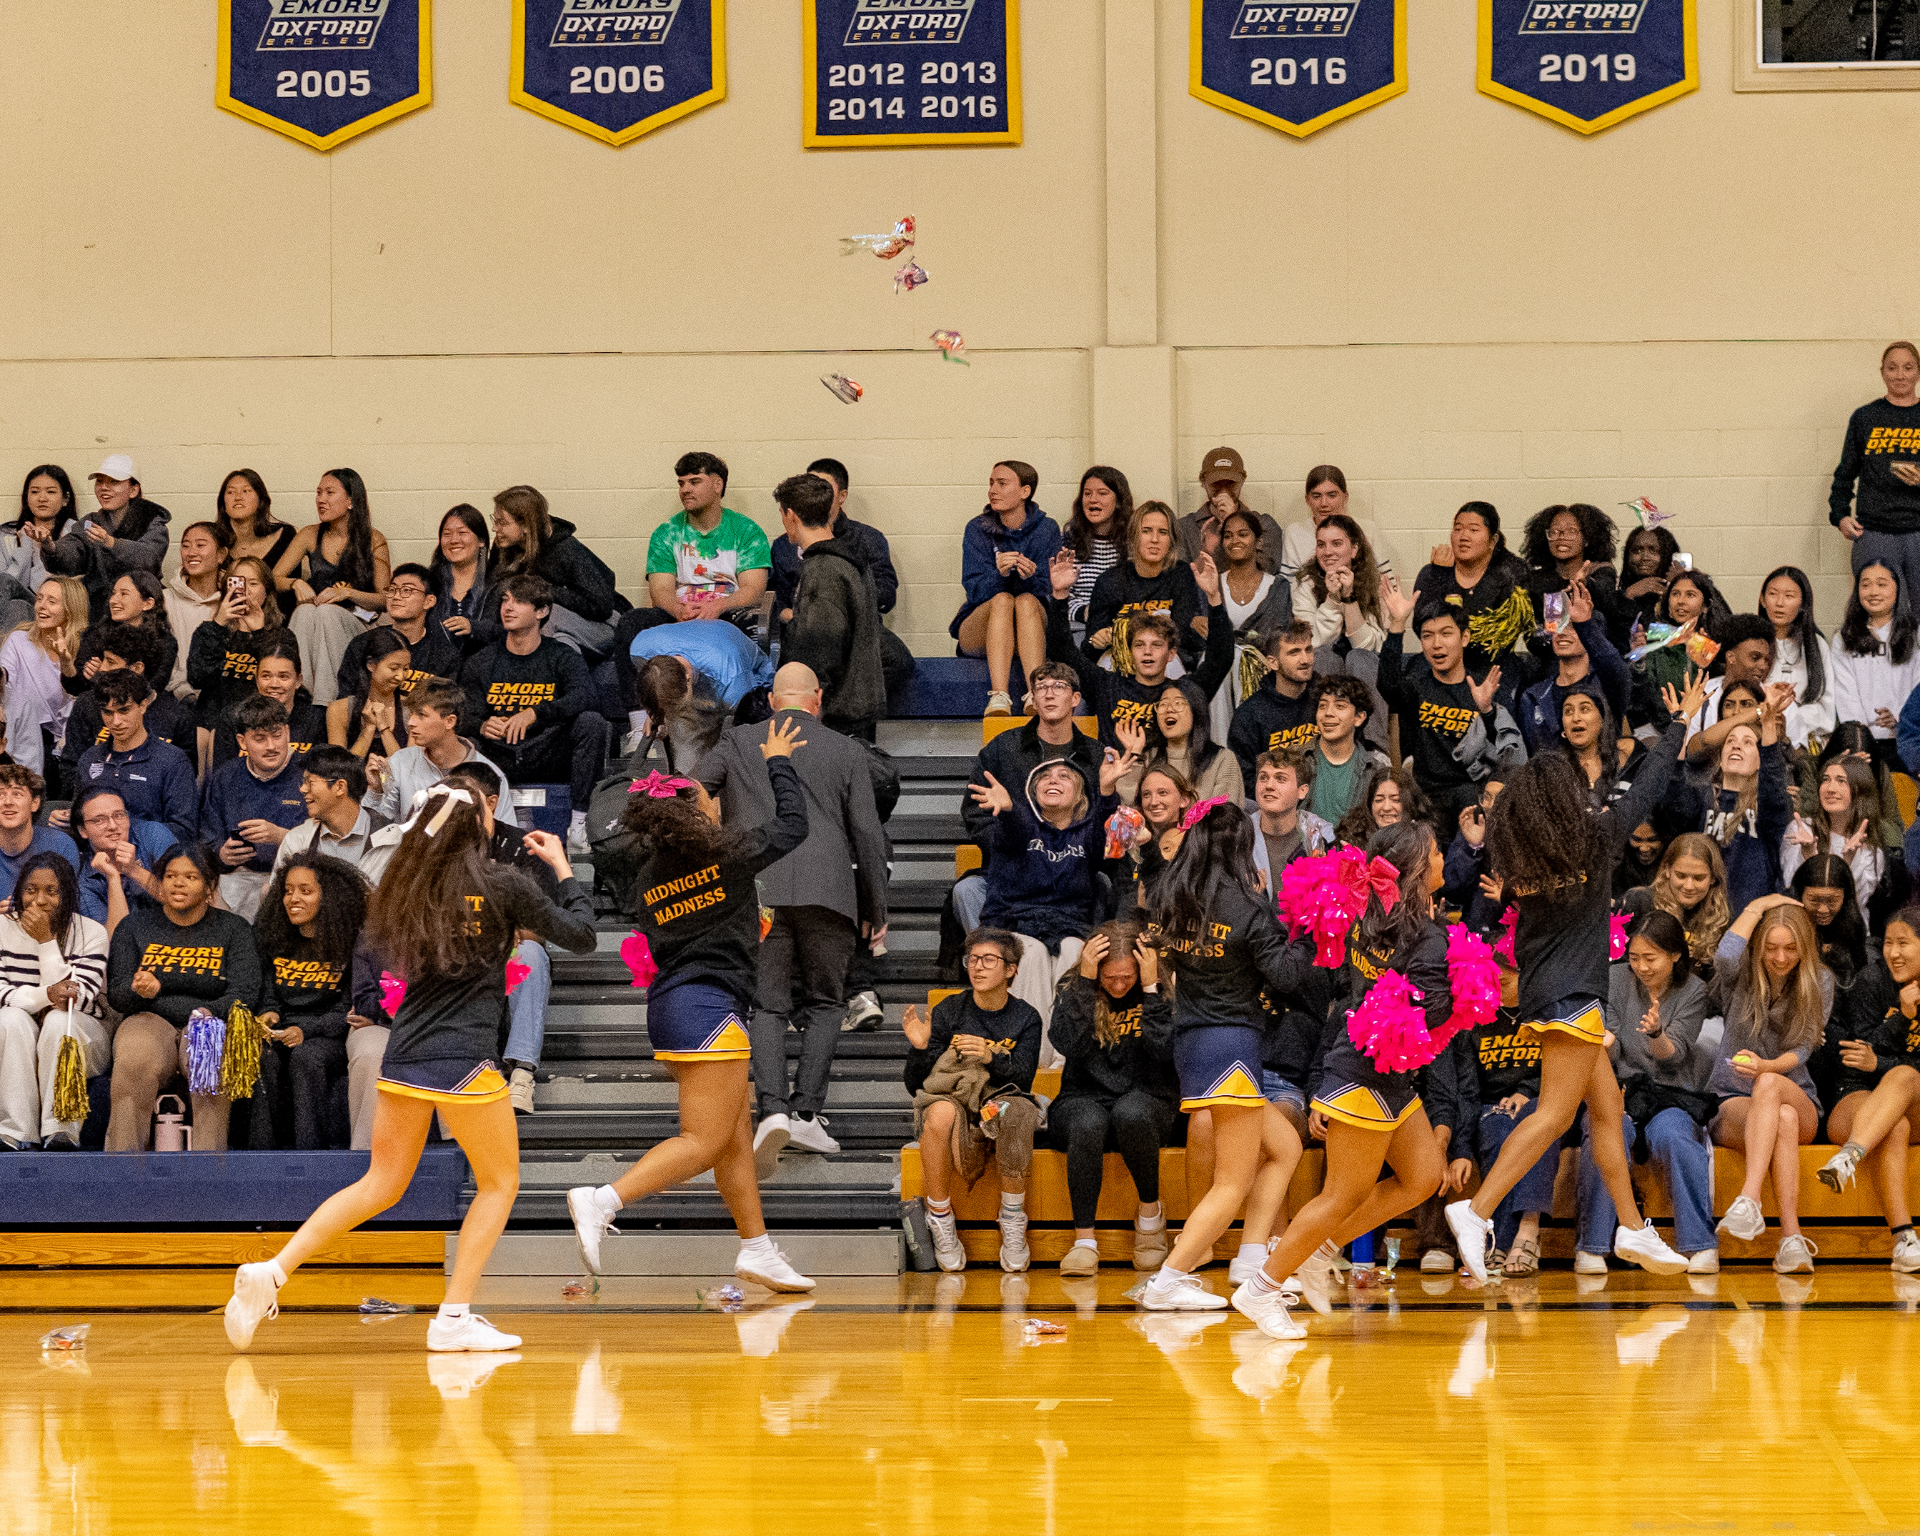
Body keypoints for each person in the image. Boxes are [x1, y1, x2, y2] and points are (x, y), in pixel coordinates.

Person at [224, 784, 597, 1353]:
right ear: (477, 829)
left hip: (404, 1054)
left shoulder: (402, 890)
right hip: (466, 1058)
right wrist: (563, 870)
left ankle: (273, 1270)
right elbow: (583, 937)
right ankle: (453, 1316)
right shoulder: (502, 883)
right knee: (500, 1184)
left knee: (380, 1183)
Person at [1444, 670, 1707, 1283]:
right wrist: (1676, 726)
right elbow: (1644, 789)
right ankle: (1477, 1212)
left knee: (1607, 1111)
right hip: (1572, 995)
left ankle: (1634, 1231)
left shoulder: (1523, 857)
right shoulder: (1596, 841)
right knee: (1556, 1115)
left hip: (1545, 991)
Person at [562, 717, 816, 1294]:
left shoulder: (647, 874)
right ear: (696, 812)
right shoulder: (728, 856)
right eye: (709, 797)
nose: (718, 803)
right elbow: (795, 825)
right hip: (709, 1008)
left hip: (674, 1005)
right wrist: (777, 759)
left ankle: (757, 1248)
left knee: (731, 1133)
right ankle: (603, 1199)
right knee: (703, 1141)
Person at [1232, 821, 1448, 1337]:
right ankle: (1260, 1288)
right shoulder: (1425, 935)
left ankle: (1317, 1253)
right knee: (1340, 1196)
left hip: (1384, 1073)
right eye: (1437, 853)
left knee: (1422, 1177)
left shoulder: (1367, 917)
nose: (1445, 860)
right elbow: (1432, 1010)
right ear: (1419, 868)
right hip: (1363, 1077)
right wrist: (1463, 990)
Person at [693, 665, 887, 1172]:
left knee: (768, 1006)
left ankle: (772, 1110)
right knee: (826, 1002)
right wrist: (876, 907)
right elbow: (868, 835)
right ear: (817, 699)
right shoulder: (846, 750)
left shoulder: (738, 741)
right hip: (830, 891)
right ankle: (806, 1112)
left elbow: (687, 793)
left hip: (757, 888)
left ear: (775, 702)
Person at [1129, 800, 1314, 1316]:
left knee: (1283, 1150)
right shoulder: (1247, 907)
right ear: (1240, 846)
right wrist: (1306, 931)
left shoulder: (1173, 896)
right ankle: (1168, 1280)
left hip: (1193, 1043)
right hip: (1233, 1045)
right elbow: (1287, 978)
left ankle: (1251, 1261)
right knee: (1231, 1181)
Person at [1576, 910, 1718, 1274]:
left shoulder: (1694, 990)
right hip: (1621, 1090)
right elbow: (1613, 1051)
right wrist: (1604, 1042)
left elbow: (1676, 1056)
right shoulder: (1614, 980)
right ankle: (1592, 1247)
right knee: (1607, 1132)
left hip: (1670, 1092)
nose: (1641, 966)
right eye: (1634, 957)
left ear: (1674, 955)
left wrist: (1657, 1034)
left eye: (1650, 958)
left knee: (1674, 1136)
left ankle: (1700, 1245)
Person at [903, 928, 1046, 1272]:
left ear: (1011, 970)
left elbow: (1023, 1079)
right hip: (953, 1102)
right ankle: (941, 1219)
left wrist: (989, 1057)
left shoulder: (1026, 1017)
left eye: (989, 960)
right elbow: (915, 1085)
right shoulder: (950, 1010)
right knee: (937, 1112)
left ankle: (1012, 1221)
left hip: (998, 1101)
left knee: (1019, 1110)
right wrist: (921, 1049)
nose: (977, 967)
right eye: (973, 960)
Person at [104, 843, 261, 1153]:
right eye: (171, 876)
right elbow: (117, 994)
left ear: (210, 886)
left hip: (208, 1019)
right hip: (148, 1019)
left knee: (210, 1053)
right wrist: (138, 989)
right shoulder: (134, 927)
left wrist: (202, 1009)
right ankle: (121, 1171)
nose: (178, 883)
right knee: (135, 1057)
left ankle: (207, 1174)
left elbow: (244, 995)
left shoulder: (234, 929)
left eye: (191, 877)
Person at [1045, 921, 1180, 1275]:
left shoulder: (1160, 989)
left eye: (1127, 977)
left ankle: (1150, 1220)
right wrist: (1087, 985)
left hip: (1149, 1097)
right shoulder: (1076, 987)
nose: (1119, 985)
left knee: (1130, 1113)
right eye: (1110, 978)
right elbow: (1068, 1045)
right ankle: (1084, 1242)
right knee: (1089, 1121)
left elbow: (1165, 1051)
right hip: (1081, 1096)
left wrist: (1150, 988)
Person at [1708, 896, 1833, 1274]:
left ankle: (1749, 1199)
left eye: (1791, 948)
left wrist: (1766, 1067)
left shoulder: (1821, 980)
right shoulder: (1741, 972)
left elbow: (1804, 1048)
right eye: (1772, 948)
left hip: (1798, 1096)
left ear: (1804, 948)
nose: (1781, 958)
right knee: (1782, 1120)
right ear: (1760, 945)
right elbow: (1725, 956)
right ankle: (1791, 1239)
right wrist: (1760, 904)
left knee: (1771, 1087)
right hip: (1732, 1098)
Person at [456, 574, 610, 852]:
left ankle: (578, 824)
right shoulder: (482, 661)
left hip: (548, 751)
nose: (508, 607)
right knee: (466, 741)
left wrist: (535, 713)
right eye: (505, 600)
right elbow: (461, 714)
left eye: (520, 602)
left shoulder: (561, 656)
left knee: (591, 722)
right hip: (499, 753)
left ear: (542, 611)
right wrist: (481, 725)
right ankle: (471, 827)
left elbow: (586, 696)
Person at [972, 757, 1118, 1047]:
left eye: (1064, 776)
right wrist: (1009, 810)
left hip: (1072, 926)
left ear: (1079, 795)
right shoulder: (1022, 827)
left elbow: (1106, 835)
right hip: (1018, 922)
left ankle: (1069, 1055)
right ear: (1033, 793)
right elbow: (1014, 828)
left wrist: (1107, 790)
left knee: (1075, 950)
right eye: (1045, 777)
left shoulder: (1086, 834)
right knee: (1032, 952)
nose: (1053, 780)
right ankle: (1031, 1053)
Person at [953, 661, 1105, 933]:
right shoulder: (1002, 749)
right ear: (1033, 699)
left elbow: (1101, 826)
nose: (1049, 694)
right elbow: (977, 817)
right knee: (967, 889)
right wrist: (1016, 850)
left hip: (1073, 870)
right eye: (1041, 687)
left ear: (1075, 698)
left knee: (1105, 883)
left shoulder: (1095, 756)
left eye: (1059, 686)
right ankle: (993, 962)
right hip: (1011, 870)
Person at [1815, 907, 1920, 1272]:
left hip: (1913, 1094)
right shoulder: (1872, 980)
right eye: (1888, 942)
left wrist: (1882, 1064)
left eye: (1904, 943)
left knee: (1906, 1075)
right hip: (1857, 1093)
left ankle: (1850, 1155)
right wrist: (1901, 1018)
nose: (1893, 952)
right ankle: (1904, 1238)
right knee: (1896, 1126)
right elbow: (1855, 1053)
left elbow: (1875, 1059)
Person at [1045, 547, 1233, 749]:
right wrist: (1060, 594)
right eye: (1139, 645)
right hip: (1119, 775)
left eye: (1157, 645)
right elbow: (1061, 649)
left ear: (1171, 653)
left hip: (1167, 776)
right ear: (1129, 651)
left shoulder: (1185, 692)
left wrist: (1214, 597)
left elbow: (1220, 658)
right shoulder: (1106, 687)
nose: (1147, 651)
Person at [1377, 584, 1522, 827]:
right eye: (1427, 636)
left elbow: (1504, 754)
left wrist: (1486, 711)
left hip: (1470, 795)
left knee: (1469, 798)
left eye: (1446, 633)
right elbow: (1388, 685)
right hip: (1426, 798)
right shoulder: (1416, 687)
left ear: (1464, 638)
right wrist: (1396, 625)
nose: (1436, 644)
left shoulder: (1482, 688)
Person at [248, 853, 365, 1150]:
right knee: (261, 1056)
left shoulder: (351, 942)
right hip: (284, 1031)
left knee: (306, 1057)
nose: (293, 899)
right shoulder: (274, 937)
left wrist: (307, 1030)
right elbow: (268, 989)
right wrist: (269, 1013)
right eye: (288, 891)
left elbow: (349, 1009)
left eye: (306, 891)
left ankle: (309, 1155)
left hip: (330, 1034)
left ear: (329, 897)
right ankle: (262, 1158)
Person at [1457, 954, 1562, 1278]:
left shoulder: (1547, 1013)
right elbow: (1467, 1087)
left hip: (1542, 1100)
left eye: (1503, 981)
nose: (1495, 988)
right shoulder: (1474, 1017)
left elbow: (1564, 1067)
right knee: (1500, 1129)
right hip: (1492, 1106)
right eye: (1490, 981)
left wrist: (1527, 1091)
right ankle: (1503, 1240)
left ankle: (1522, 1234)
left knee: (1538, 1121)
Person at [0, 852, 110, 1150]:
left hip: (82, 1031)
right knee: (9, 1018)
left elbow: (77, 1001)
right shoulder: (2, 929)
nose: (39, 900)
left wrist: (46, 942)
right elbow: (1, 995)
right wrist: (44, 996)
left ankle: (61, 1130)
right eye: (30, 889)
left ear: (68, 894)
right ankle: (16, 1133)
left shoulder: (92, 933)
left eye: (52, 891)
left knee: (59, 1021)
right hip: (18, 1028)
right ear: (19, 891)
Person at [777, 472, 886, 741]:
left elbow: (820, 651)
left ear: (790, 515)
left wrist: (804, 714)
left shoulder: (824, 570)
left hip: (832, 718)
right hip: (854, 709)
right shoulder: (848, 561)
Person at [271, 468, 391, 705]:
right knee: (304, 611)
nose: (321, 499)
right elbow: (273, 578)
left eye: (329, 492)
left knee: (326, 611)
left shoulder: (373, 539)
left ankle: (326, 703)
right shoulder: (309, 534)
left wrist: (348, 593)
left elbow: (385, 599)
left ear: (350, 501)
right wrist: (296, 583)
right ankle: (300, 695)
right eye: (318, 493)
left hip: (359, 626)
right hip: (317, 625)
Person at [954, 460, 1061, 717]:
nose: (993, 490)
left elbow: (1053, 590)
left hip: (1031, 624)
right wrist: (998, 575)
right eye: (991, 483)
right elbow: (974, 591)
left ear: (1025, 491)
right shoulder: (977, 528)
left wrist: (1032, 576)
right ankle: (999, 696)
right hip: (982, 625)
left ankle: (1035, 691)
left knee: (1024, 600)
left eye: (1002, 483)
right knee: (1003, 599)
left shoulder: (1047, 529)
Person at [199, 695, 310, 921]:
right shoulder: (225, 777)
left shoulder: (308, 775)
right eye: (260, 738)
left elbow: (327, 843)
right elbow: (206, 839)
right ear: (242, 741)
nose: (271, 746)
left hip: (292, 880)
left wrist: (283, 837)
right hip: (235, 877)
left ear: (287, 733)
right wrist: (221, 854)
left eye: (277, 736)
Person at [482, 485, 618, 657]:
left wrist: (546, 591)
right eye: (495, 520)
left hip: (598, 623)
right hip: (557, 628)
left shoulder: (566, 550)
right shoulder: (504, 546)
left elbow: (601, 605)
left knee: (545, 620)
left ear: (526, 526)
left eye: (503, 523)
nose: (495, 529)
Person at [1412, 503, 1536, 690]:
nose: (1463, 537)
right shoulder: (1433, 573)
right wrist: (1442, 576)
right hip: (1442, 662)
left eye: (1473, 529)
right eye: (1458, 529)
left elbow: (1498, 637)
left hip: (1493, 663)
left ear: (1493, 541)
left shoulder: (1513, 573)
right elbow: (1423, 626)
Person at [1829, 340, 1920, 595]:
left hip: (1918, 532)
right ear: (1882, 373)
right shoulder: (1865, 417)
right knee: (1875, 612)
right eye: (1892, 368)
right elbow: (1845, 473)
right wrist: (1840, 516)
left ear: (1918, 372)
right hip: (1875, 533)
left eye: (1908, 367)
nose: (1900, 374)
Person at [643, 452, 772, 629]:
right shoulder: (666, 533)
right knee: (633, 620)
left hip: (729, 613)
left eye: (694, 482)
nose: (685, 489)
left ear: (717, 485)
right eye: (681, 483)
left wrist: (717, 607)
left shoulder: (747, 531)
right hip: (679, 614)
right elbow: (661, 590)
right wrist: (678, 610)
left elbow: (753, 590)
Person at [71, 668, 198, 847]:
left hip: (150, 863)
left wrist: (125, 834)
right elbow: (81, 821)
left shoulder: (173, 761)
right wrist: (69, 820)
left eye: (124, 710)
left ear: (143, 705)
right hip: (97, 863)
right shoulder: (90, 758)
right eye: (108, 712)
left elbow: (184, 830)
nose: (115, 721)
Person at [365, 682, 518, 830]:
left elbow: (505, 835)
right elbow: (376, 828)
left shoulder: (491, 774)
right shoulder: (399, 762)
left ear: (449, 721)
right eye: (411, 714)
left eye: (422, 715)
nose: (411, 722)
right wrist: (376, 791)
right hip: (411, 855)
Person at [1085, 500, 1207, 681]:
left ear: (1171, 540)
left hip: (1167, 659)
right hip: (1119, 658)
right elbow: (1089, 646)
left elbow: (1182, 634)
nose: (1155, 539)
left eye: (1163, 532)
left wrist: (1124, 630)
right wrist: (1099, 638)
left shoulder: (1181, 573)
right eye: (1146, 531)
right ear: (1134, 536)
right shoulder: (1110, 580)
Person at [58, 622, 197, 781]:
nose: (102, 668)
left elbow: (184, 779)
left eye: (110, 661)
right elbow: (71, 769)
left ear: (137, 668)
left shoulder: (177, 717)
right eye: (103, 659)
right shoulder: (88, 704)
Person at [771, 457, 901, 622]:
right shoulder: (785, 545)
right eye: (812, 488)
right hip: (799, 634)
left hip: (858, 636)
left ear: (842, 496)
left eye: (824, 488)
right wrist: (794, 616)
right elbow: (775, 599)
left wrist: (829, 611)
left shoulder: (867, 539)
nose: (817, 494)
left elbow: (885, 597)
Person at [1699, 693, 1794, 914]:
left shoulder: (1767, 808)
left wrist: (1768, 724)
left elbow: (1773, 782)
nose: (1736, 746)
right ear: (1720, 757)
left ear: (1760, 758)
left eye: (1748, 742)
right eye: (1730, 741)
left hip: (1749, 921)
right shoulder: (1703, 799)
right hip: (1703, 919)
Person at [42, 454, 170, 616]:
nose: (104, 487)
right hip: (97, 608)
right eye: (100, 481)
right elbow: (73, 553)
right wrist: (51, 547)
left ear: (133, 490)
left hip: (140, 610)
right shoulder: (91, 521)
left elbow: (149, 558)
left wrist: (111, 543)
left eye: (114, 481)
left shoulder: (152, 522)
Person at [1209, 506, 1294, 742]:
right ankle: (1221, 749)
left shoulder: (1278, 587)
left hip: (1261, 668)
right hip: (1218, 672)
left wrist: (1238, 645)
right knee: (1219, 659)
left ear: (1258, 540)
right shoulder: (1211, 584)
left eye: (1243, 534)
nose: (1234, 540)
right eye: (1228, 535)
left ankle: (1250, 744)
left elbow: (1277, 637)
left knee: (1239, 657)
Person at [1516, 578, 1628, 755]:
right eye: (1558, 625)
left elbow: (1615, 666)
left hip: (1599, 779)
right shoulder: (1532, 697)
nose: (1562, 633)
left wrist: (1585, 624)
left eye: (1573, 627)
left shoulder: (1608, 687)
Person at [628, 636, 771, 770]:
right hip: (709, 673)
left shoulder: (732, 682)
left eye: (677, 708)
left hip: (752, 687)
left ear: (688, 678)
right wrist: (656, 711)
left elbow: (740, 733)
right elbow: (658, 682)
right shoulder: (639, 648)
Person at [334, 562, 462, 700]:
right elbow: (346, 700)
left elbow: (444, 708)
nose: (396, 596)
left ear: (429, 601)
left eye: (407, 590)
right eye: (392, 590)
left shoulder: (444, 655)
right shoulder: (363, 644)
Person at [185, 555, 282, 731]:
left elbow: (275, 680)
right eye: (238, 584)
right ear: (226, 590)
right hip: (213, 723)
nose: (245, 591)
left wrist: (260, 633)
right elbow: (197, 677)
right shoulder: (208, 631)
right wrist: (218, 625)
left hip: (259, 724)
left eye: (253, 584)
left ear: (266, 591)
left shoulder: (282, 636)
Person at [1, 576, 84, 777]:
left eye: (52, 602)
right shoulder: (19, 640)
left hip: (60, 745)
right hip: (18, 735)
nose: (41, 606)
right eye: (39, 599)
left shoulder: (84, 649)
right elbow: (4, 679)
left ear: (70, 609)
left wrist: (66, 664)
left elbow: (79, 700)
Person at [1831, 559, 1920, 744]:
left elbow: (1917, 685)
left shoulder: (1914, 633)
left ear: (1897, 589)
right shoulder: (1844, 638)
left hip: (1908, 739)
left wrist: (1899, 718)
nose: (1873, 592)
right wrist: (1860, 733)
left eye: (1881, 584)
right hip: (1862, 742)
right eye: (1865, 585)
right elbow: (1846, 693)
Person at [1783, 755, 1883, 919]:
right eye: (1826, 779)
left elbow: (1855, 903)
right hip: (1804, 928)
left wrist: (1848, 862)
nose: (1830, 788)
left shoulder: (1869, 847)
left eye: (1841, 781)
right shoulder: (1801, 829)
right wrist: (1807, 855)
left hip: (1849, 936)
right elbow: (1790, 888)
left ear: (1860, 789)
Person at [209, 636, 327, 771]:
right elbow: (223, 776)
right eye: (266, 676)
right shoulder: (233, 717)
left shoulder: (316, 720)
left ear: (298, 681)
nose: (274, 684)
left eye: (283, 676)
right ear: (256, 679)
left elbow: (321, 776)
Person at [1226, 621, 1320, 789]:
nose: (1305, 659)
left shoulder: (1325, 699)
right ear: (1273, 662)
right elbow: (1245, 779)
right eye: (1294, 653)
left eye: (1308, 650)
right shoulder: (1250, 715)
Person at [1120, 680, 1240, 807]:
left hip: (1203, 828)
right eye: (1163, 704)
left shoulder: (1222, 759)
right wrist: (1134, 754)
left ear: (1196, 710)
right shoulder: (1147, 757)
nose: (1169, 709)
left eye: (1178, 703)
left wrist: (1179, 827)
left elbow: (1225, 816)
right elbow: (1128, 809)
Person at [274, 745, 387, 881]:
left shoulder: (390, 840)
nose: (303, 789)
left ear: (340, 787)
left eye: (309, 782)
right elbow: (278, 896)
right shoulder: (296, 842)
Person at [70, 785, 173, 929]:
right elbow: (115, 942)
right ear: (83, 830)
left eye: (119, 815)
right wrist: (113, 878)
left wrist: (134, 871)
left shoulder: (153, 835)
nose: (112, 826)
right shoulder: (85, 882)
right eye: (100, 820)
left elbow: (184, 899)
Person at [1277, 464, 1397, 588]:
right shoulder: (1295, 533)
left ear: (1345, 497)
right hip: (1310, 605)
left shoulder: (1368, 529)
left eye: (1332, 495)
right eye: (1316, 496)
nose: (1324, 503)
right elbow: (1289, 587)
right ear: (1307, 500)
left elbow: (1388, 584)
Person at [68, 571, 175, 705]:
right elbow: (73, 687)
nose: (113, 600)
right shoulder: (96, 634)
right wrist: (84, 674)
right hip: (97, 708)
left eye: (124, 594)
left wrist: (102, 678)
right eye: (113, 593)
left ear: (147, 603)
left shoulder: (165, 642)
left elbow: (154, 688)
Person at [1759, 566, 1835, 751]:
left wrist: (1791, 716)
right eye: (1773, 594)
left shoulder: (1817, 644)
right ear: (1762, 599)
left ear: (1803, 603)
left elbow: (1827, 704)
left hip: (1806, 745)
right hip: (1759, 736)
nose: (1779, 603)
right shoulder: (1754, 641)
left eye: (1789, 596)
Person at [1178, 446, 1286, 572]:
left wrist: (1234, 521)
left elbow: (1267, 571)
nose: (1224, 490)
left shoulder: (1265, 524)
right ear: (1203, 481)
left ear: (1242, 480)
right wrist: (1206, 552)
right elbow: (1181, 582)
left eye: (1231, 483)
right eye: (1216, 483)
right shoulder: (1183, 528)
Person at [1292, 513, 1387, 654]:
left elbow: (1368, 648)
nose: (1328, 552)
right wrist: (1333, 599)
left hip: (1362, 665)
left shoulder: (1374, 583)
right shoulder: (1306, 584)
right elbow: (1312, 643)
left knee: (1358, 657)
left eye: (1336, 544)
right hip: (1322, 665)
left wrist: (1349, 598)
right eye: (1321, 545)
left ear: (1354, 550)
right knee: (1325, 656)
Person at [1060, 466, 1132, 645]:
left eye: (1102, 493)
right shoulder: (1068, 542)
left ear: (1118, 501)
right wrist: (1083, 611)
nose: (1093, 499)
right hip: (1080, 623)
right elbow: (1059, 593)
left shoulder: (1133, 542)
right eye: (1087, 493)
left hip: (1123, 623)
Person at [1248, 750, 1335, 896]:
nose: (1269, 785)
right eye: (1263, 778)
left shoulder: (1321, 837)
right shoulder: (1239, 835)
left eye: (1280, 779)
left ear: (1302, 791)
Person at [1648, 832, 1732, 975]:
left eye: (1699, 878)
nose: (1689, 886)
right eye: (1681, 876)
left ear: (1712, 878)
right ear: (1667, 870)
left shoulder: (1722, 917)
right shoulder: (1641, 901)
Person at [1306, 675, 1384, 827]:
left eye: (1340, 706)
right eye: (1322, 706)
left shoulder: (1376, 769)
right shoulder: (1296, 760)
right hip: (1303, 850)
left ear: (1359, 717)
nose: (1328, 713)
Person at [1520, 502, 1620, 621]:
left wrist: (1585, 583)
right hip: (1554, 637)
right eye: (1554, 531)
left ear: (1587, 538)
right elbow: (1552, 626)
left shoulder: (1600, 571)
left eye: (1571, 531)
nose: (1561, 536)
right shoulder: (1537, 579)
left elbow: (1604, 597)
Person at [328, 629, 412, 763]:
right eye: (394, 668)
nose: (401, 676)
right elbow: (340, 771)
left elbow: (408, 771)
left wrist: (384, 729)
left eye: (406, 669)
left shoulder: (412, 708)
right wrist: (368, 729)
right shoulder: (340, 709)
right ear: (371, 665)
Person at [0, 766, 83, 898]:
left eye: (17, 794)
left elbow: (66, 906)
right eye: (0, 794)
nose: (8, 802)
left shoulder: (61, 846)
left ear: (34, 803)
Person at [167, 521, 229, 695]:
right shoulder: (165, 600)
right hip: (176, 697)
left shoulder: (231, 601)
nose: (191, 553)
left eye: (200, 545)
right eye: (186, 546)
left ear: (221, 555)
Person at [1794, 853, 1869, 990]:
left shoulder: (1852, 923)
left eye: (1832, 901)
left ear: (1845, 897)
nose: (1823, 909)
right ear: (1800, 894)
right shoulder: (1787, 922)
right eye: (1814, 900)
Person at [4, 466, 73, 612]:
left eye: (51, 492)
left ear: (65, 499)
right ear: (26, 497)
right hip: (22, 610)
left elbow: (61, 585)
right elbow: (8, 586)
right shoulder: (7, 536)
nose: (42, 498)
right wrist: (25, 546)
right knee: (17, 604)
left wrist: (45, 546)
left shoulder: (74, 533)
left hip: (61, 608)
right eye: (34, 492)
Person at [429, 504, 491, 648]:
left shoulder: (498, 584)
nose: (454, 540)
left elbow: (508, 633)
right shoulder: (430, 582)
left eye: (462, 533)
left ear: (481, 541)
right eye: (447, 534)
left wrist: (476, 628)